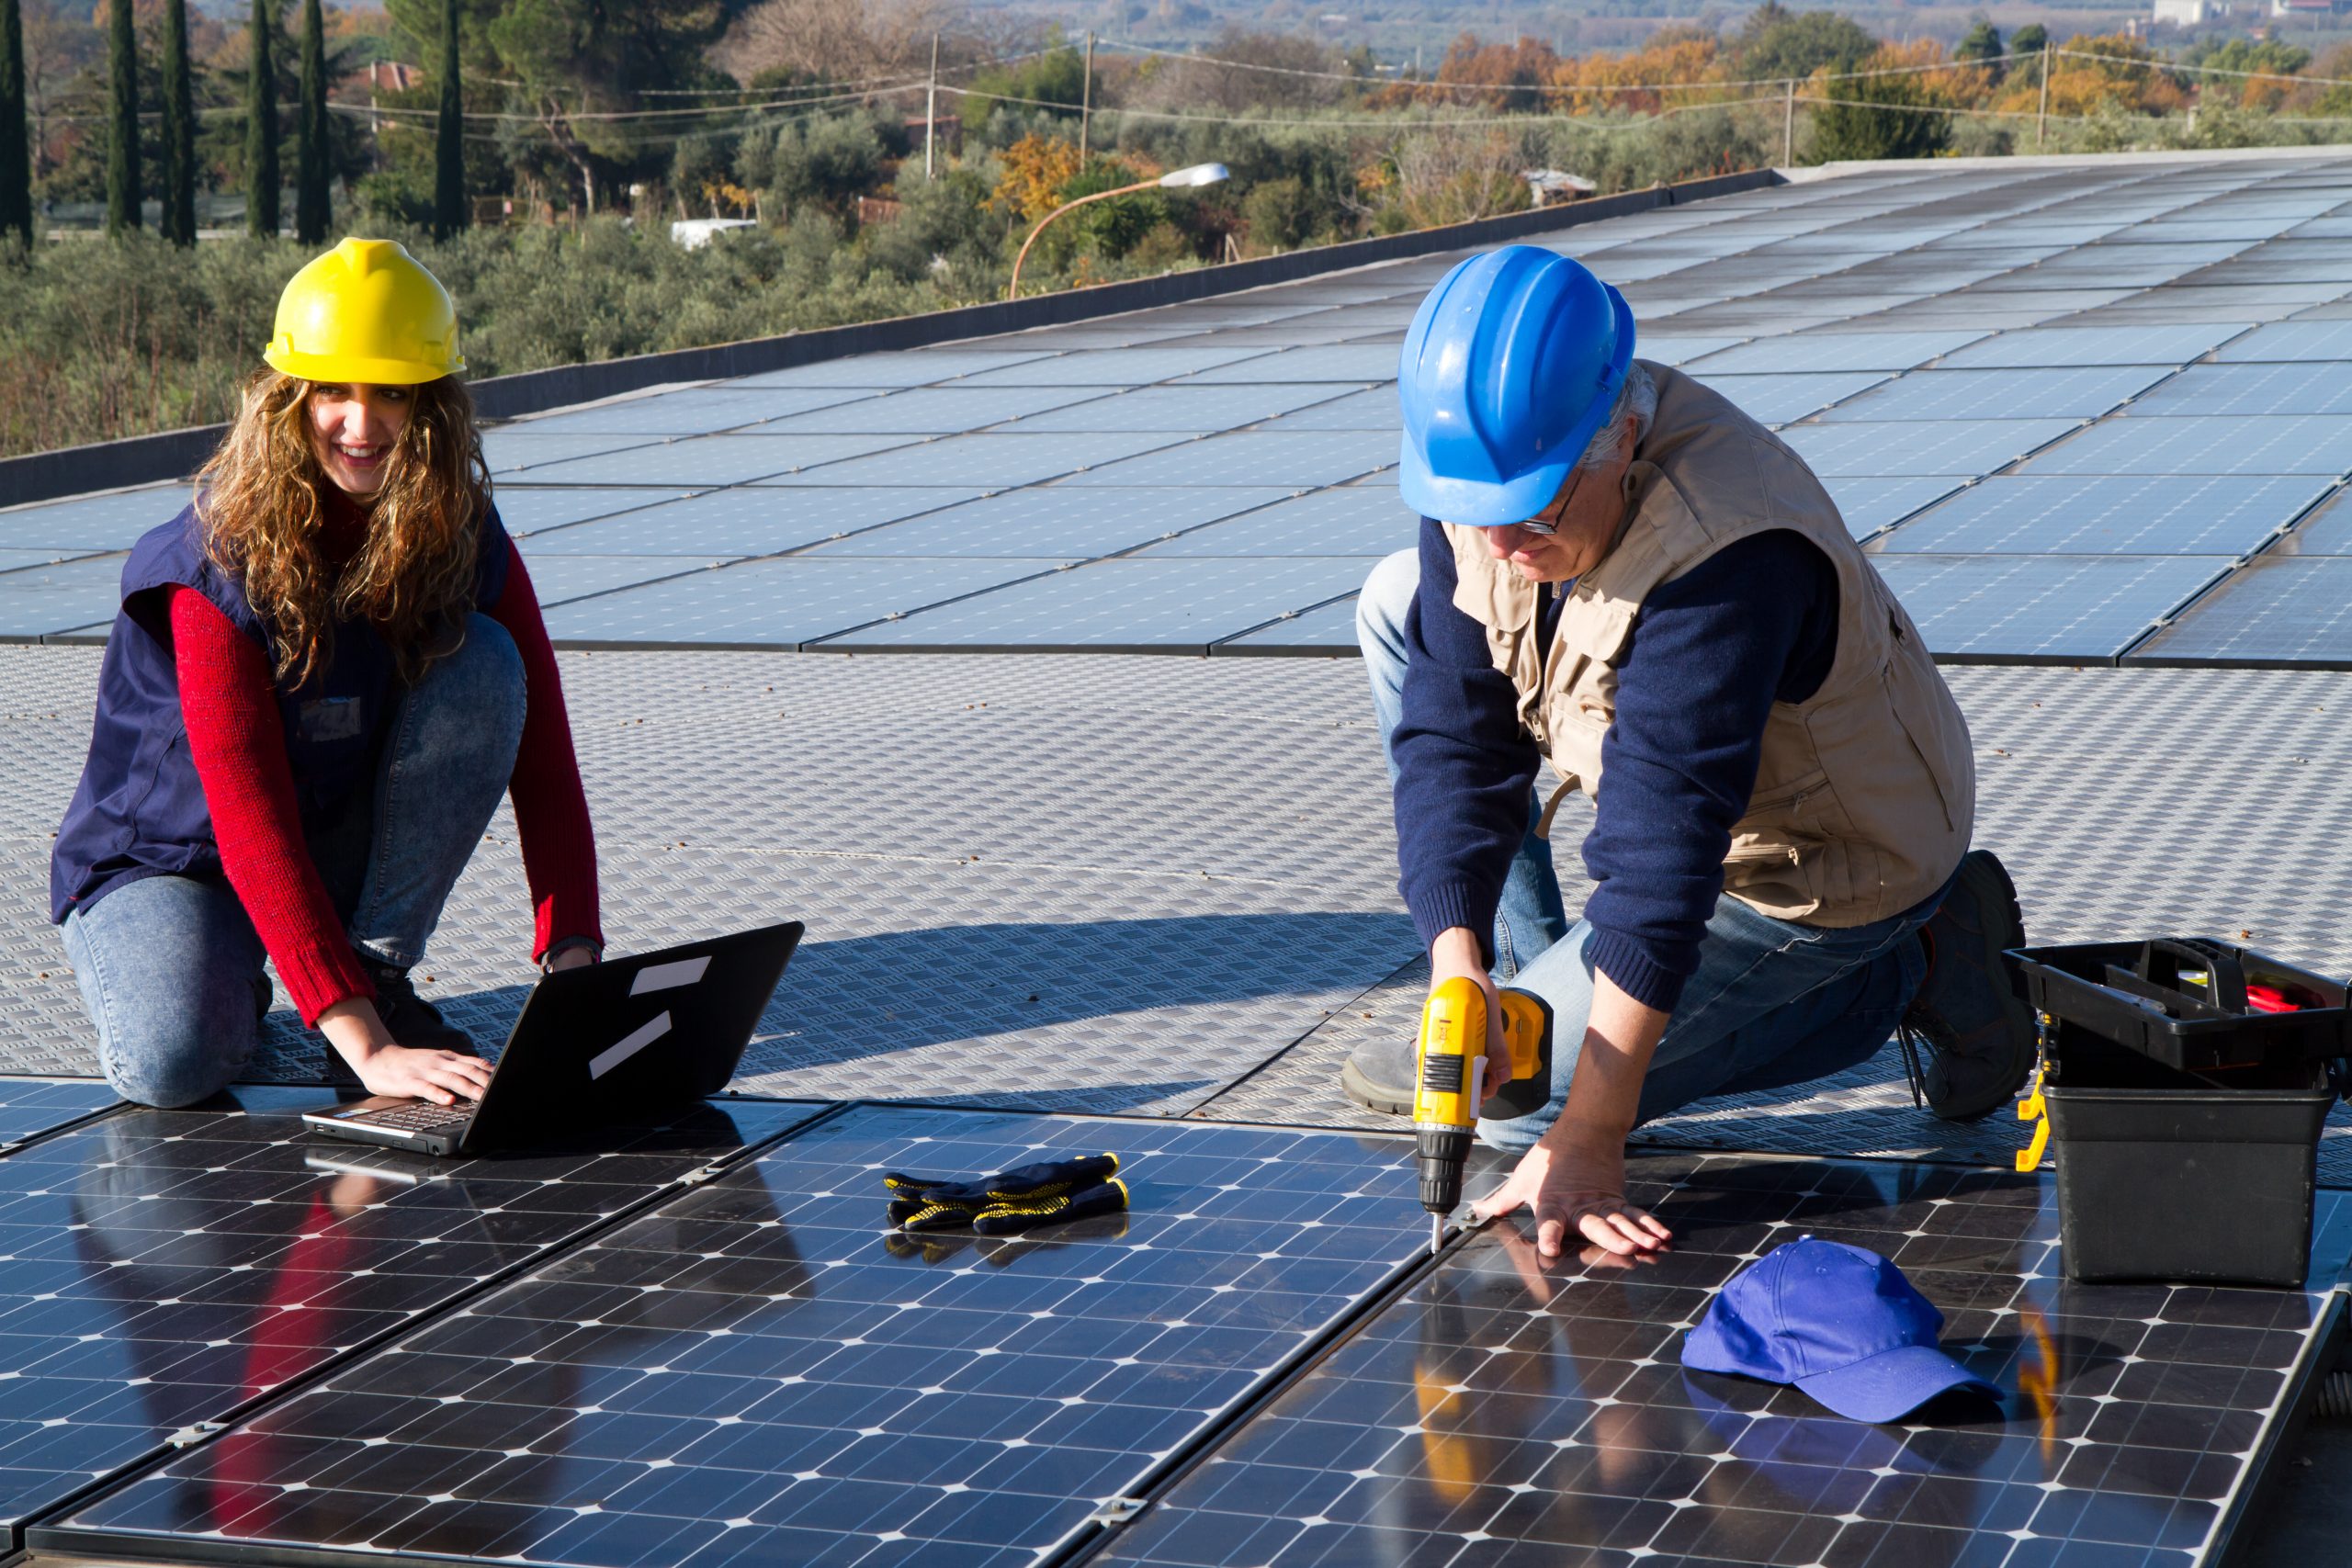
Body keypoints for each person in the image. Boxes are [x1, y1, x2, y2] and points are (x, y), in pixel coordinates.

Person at [1348, 245, 2036, 1260]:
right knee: (1394, 601)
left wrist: (1591, 1133)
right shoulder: (1487, 465)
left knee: (1518, 1116)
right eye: (1476, 513)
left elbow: (1661, 859)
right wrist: (1459, 965)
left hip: (1818, 859)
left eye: (1532, 513)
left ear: (1617, 434)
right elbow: (1456, 733)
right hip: (1672, 788)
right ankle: (1521, 994)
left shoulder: (1728, 555)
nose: (1497, 544)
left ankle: (1919, 963)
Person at [51, 238, 602, 1110]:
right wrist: (370, 1054)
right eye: (333, 391)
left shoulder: (461, 530)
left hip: (321, 825)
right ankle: (314, 1008)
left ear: (433, 405)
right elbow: (246, 816)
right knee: (175, 1060)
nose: (361, 421)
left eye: (390, 391)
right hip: (168, 859)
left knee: (487, 666)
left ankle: (369, 979)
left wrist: (576, 958)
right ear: (287, 400)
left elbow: (545, 757)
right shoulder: (212, 566)